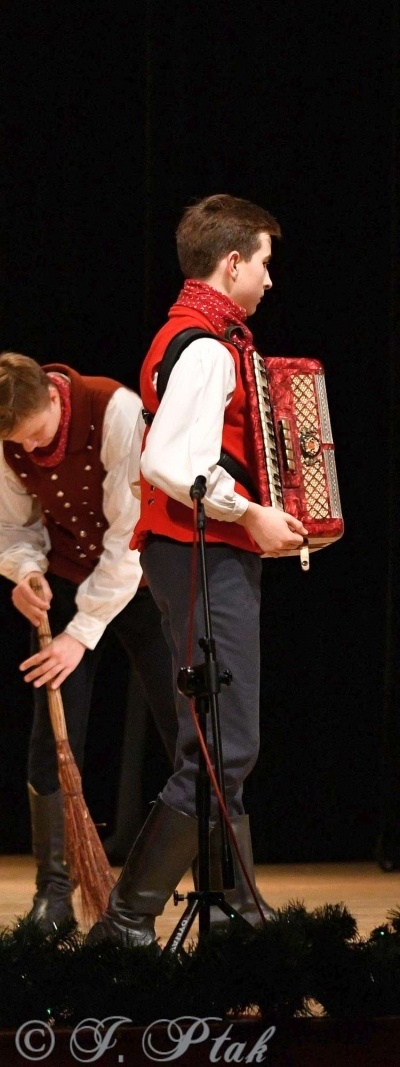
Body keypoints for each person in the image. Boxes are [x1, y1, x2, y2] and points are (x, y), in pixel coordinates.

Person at [88, 194, 308, 946]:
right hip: (198, 553)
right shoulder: (208, 345)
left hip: (198, 554)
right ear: (234, 261)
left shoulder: (197, 334)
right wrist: (252, 514)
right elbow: (173, 462)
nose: (271, 282)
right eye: (266, 264)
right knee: (221, 744)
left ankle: (240, 925)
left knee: (219, 741)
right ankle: (125, 923)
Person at [0, 353, 180, 930]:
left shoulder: (116, 411)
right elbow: (16, 526)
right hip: (69, 577)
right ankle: (54, 895)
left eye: (35, 436)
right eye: (16, 443)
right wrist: (25, 574)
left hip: (142, 577)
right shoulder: (8, 435)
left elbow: (128, 538)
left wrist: (80, 634)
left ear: (54, 399)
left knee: (185, 729)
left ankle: (183, 890)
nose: (27, 451)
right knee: (51, 734)